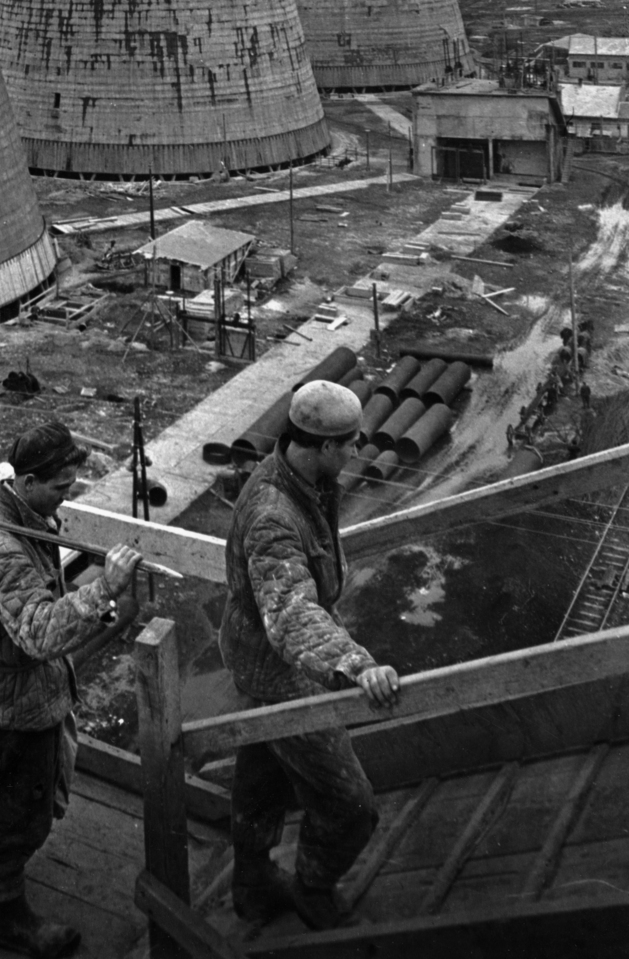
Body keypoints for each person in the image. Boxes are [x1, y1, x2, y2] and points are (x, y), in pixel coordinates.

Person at [0, 420, 142, 959]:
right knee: (20, 816)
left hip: (14, 693)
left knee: (5, 788)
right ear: (27, 481)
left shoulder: (29, 520)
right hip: (14, 709)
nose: (67, 498)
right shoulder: (5, 552)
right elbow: (39, 631)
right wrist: (102, 590)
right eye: (61, 487)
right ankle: (6, 916)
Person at [218, 379, 399, 933]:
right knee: (350, 804)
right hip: (281, 669)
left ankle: (250, 884)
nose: (354, 452)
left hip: (265, 656)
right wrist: (357, 664)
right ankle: (313, 887)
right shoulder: (275, 513)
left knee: (263, 775)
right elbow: (291, 614)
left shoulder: (304, 480)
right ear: (321, 446)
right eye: (348, 444)